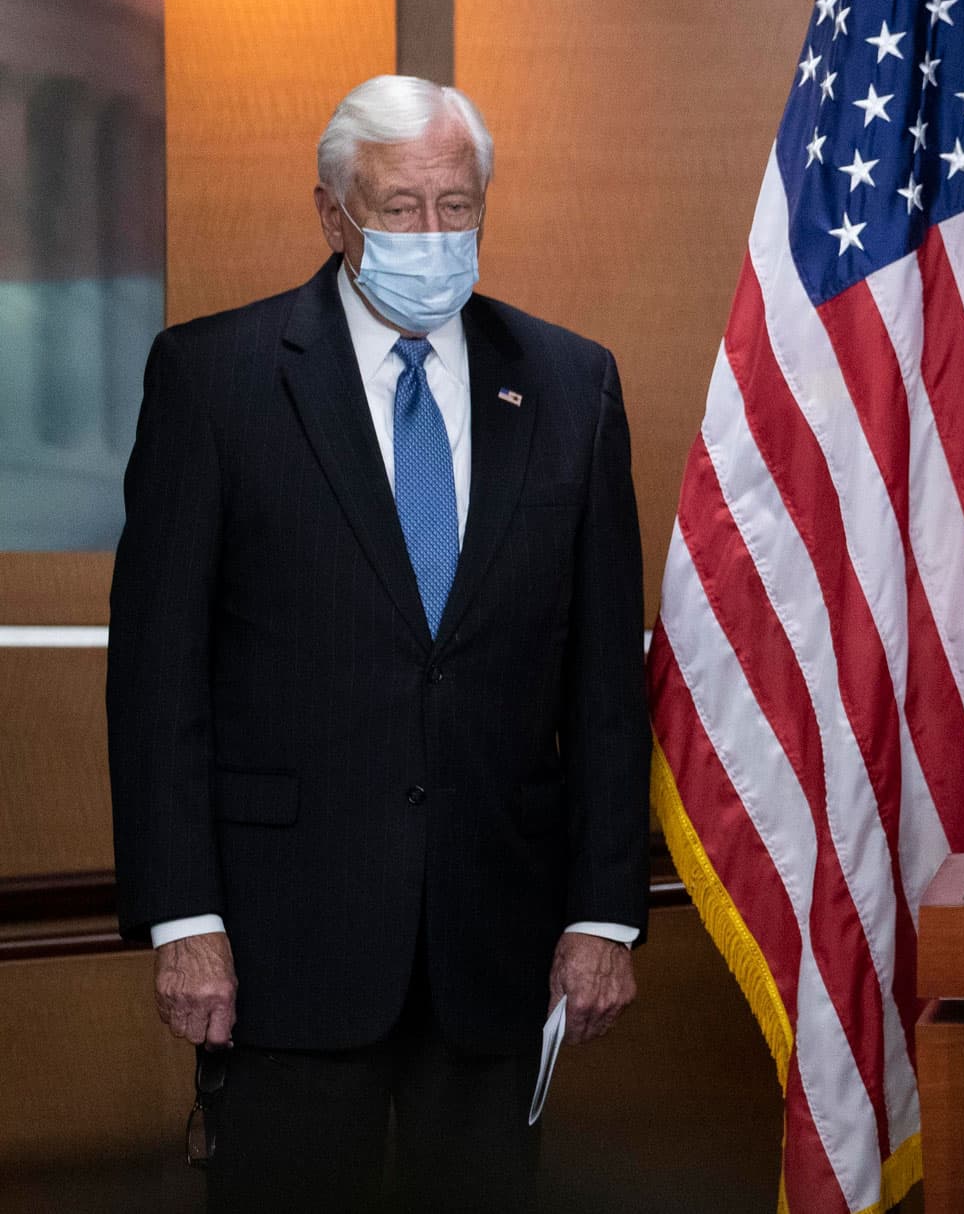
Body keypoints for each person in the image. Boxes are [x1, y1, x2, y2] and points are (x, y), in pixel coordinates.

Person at [106, 75, 651, 1209]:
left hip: (495, 941)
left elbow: (604, 676)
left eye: (458, 206)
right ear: (331, 211)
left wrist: (604, 909)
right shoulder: (216, 377)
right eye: (400, 208)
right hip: (280, 940)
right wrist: (184, 916)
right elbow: (158, 678)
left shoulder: (568, 381)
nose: (432, 234)